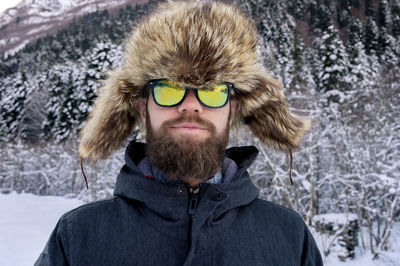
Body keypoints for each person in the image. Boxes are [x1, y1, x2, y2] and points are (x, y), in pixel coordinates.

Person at [35, 1, 323, 265]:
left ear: (233, 109)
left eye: (211, 91)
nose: (190, 106)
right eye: (168, 88)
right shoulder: (77, 236)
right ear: (141, 106)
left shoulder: (289, 236)